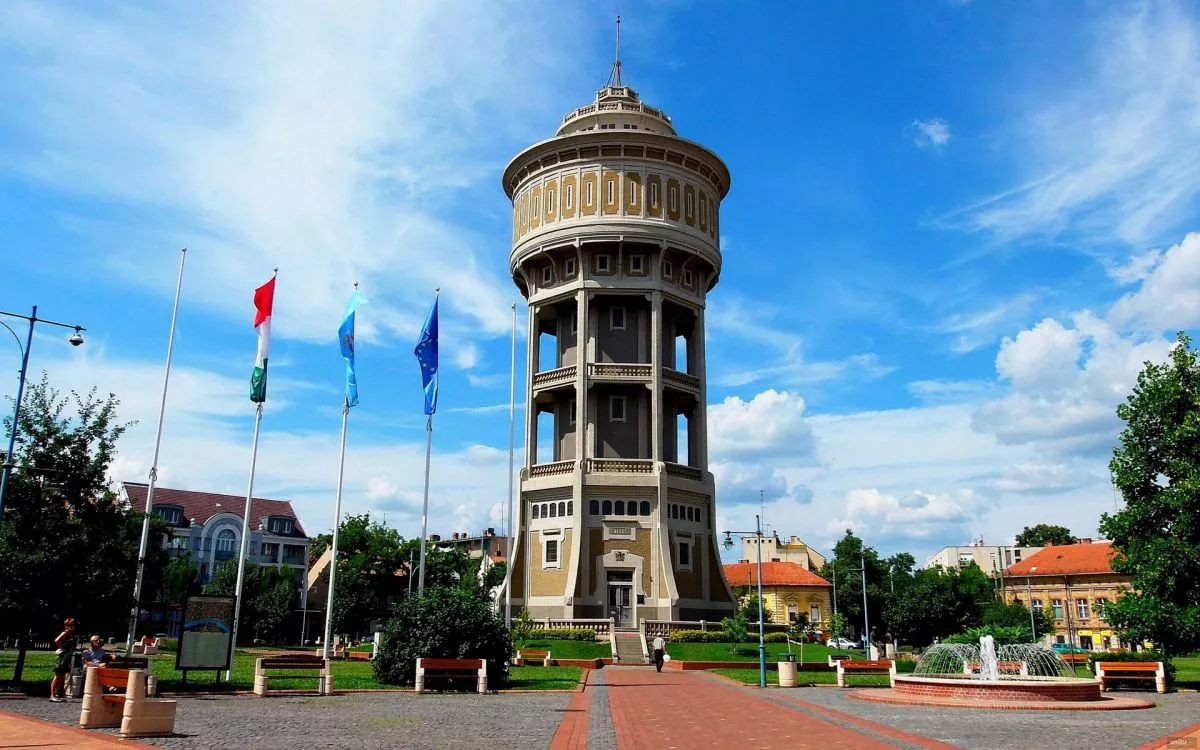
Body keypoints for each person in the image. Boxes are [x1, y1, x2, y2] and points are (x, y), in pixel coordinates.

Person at [50, 618, 78, 702]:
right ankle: (52, 695)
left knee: (61, 676)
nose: (72, 626)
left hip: (67, 658)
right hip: (62, 657)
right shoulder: (65, 633)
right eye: (70, 625)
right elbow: (56, 640)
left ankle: (56, 694)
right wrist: (63, 649)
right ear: (66, 626)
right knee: (57, 676)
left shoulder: (71, 634)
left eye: (73, 625)